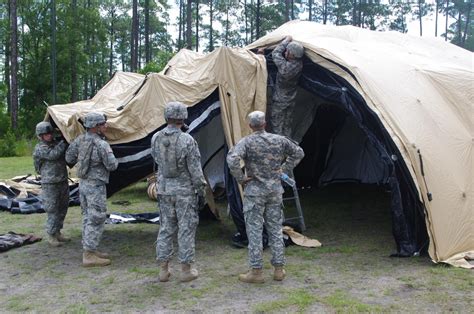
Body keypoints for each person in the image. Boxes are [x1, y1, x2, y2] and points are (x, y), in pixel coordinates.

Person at [226, 111, 304, 283]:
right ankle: (278, 269)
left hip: (254, 192)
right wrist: (284, 168)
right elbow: (298, 152)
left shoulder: (246, 142)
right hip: (275, 191)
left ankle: (256, 271)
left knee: (254, 231)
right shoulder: (279, 140)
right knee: (276, 229)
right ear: (265, 123)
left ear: (250, 125)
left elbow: (232, 159)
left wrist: (240, 178)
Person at [151, 101, 206, 283]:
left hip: (164, 190)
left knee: (166, 228)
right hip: (184, 192)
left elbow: (157, 161)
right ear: (183, 118)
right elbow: (196, 171)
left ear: (166, 117)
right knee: (186, 228)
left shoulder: (155, 138)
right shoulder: (187, 140)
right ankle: (186, 269)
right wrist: (201, 191)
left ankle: (163, 270)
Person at [65, 112, 118, 267]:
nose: (106, 126)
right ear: (96, 127)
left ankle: (91, 249)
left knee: (88, 216)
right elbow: (112, 165)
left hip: (83, 185)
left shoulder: (78, 141)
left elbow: (69, 159)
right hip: (96, 186)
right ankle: (89, 254)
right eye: (103, 124)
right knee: (97, 217)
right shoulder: (102, 144)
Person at [33, 121, 70, 247]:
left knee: (63, 207)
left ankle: (58, 231)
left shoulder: (56, 144)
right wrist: (64, 142)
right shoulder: (40, 148)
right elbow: (53, 155)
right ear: (40, 136)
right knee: (52, 209)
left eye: (50, 133)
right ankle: (51, 234)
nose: (49, 136)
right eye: (46, 134)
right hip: (50, 183)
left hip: (62, 180)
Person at [267, 35, 304, 138]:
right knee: (287, 126)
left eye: (288, 51)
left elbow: (276, 53)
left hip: (280, 101)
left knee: (277, 127)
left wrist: (286, 40)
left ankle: (279, 149)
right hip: (291, 100)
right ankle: (288, 147)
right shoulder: (299, 64)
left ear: (293, 55)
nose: (286, 52)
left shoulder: (285, 68)